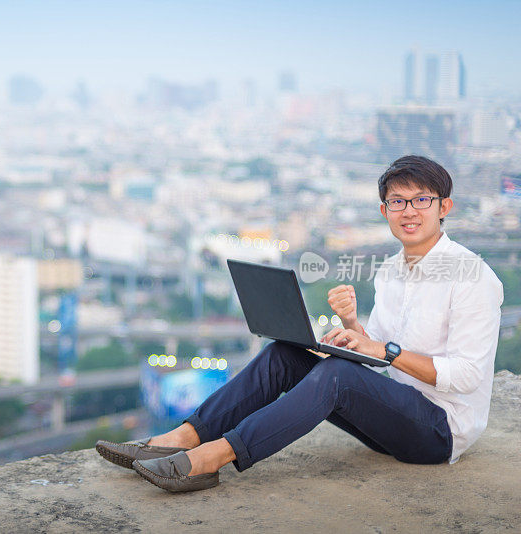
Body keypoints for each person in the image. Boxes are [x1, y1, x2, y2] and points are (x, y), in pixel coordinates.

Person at [95, 155, 504, 492]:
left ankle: (210, 459)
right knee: (284, 354)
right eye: (398, 202)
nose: (409, 211)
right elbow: (379, 353)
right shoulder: (391, 270)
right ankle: (181, 438)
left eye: (421, 200)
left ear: (444, 207)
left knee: (337, 377)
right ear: (384, 210)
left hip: (438, 431)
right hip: (390, 414)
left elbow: (466, 375)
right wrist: (352, 326)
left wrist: (384, 350)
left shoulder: (474, 278)